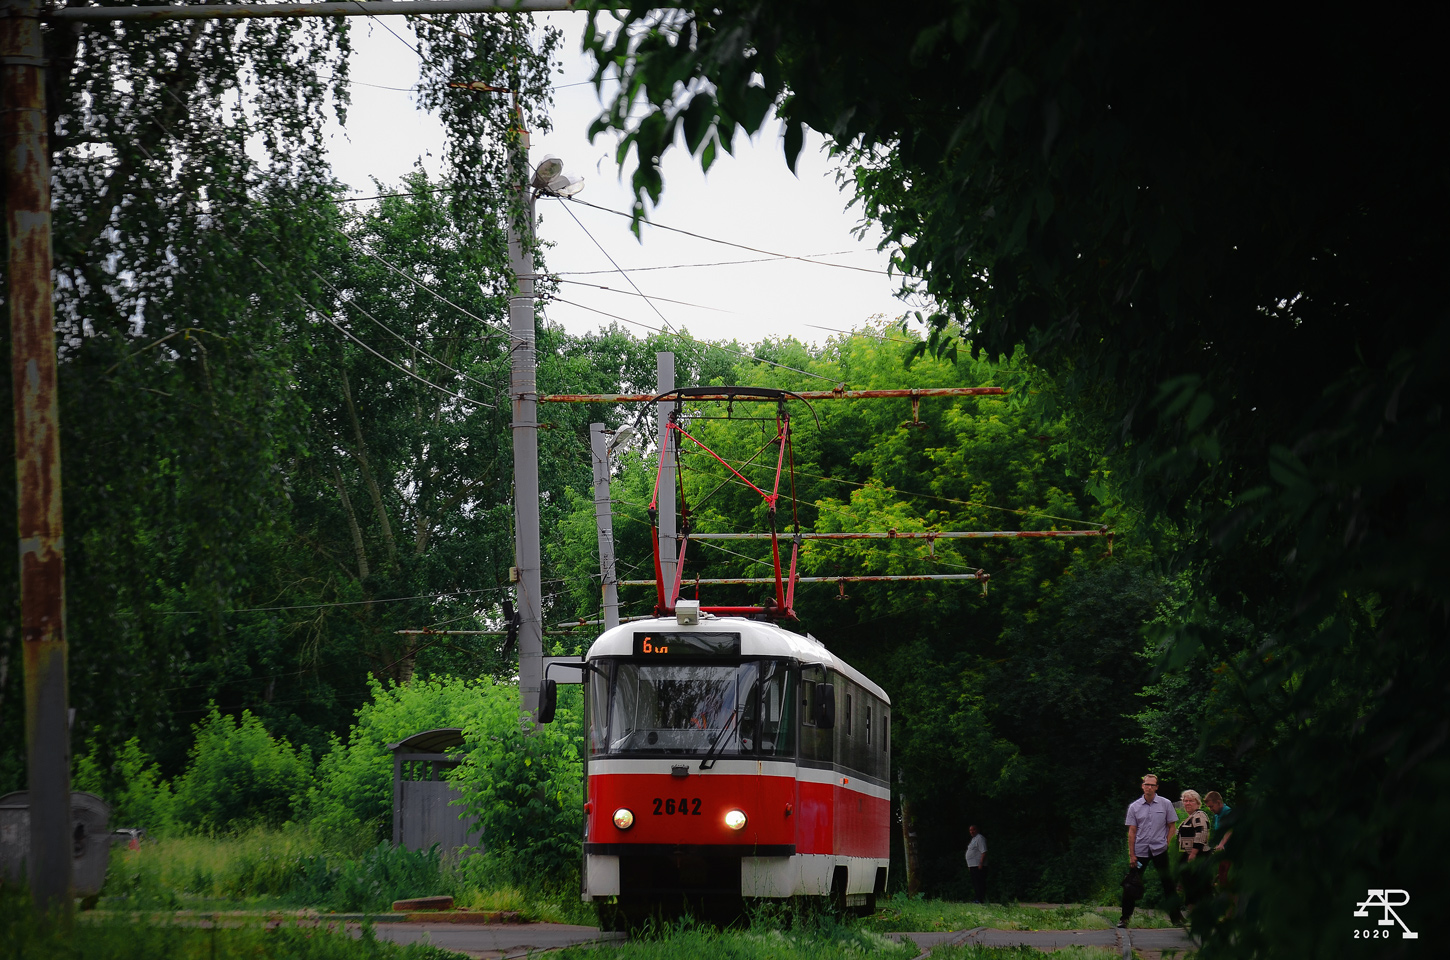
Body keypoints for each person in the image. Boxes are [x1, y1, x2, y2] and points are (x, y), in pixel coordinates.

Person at [1120, 773, 1184, 928]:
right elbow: (1132, 832)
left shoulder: (1165, 804)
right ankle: (1125, 918)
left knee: (1167, 883)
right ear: (1142, 786)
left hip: (1159, 849)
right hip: (1140, 850)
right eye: (1146, 784)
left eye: (1152, 785)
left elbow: (1172, 826)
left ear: (1156, 787)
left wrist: (1166, 843)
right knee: (1131, 884)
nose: (1149, 787)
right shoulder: (1134, 807)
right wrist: (1131, 854)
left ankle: (1176, 918)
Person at [1176, 790, 1212, 908]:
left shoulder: (1199, 815)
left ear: (1197, 802)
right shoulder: (1190, 817)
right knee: (1190, 887)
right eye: (1185, 801)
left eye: (1191, 801)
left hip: (1198, 856)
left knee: (1199, 887)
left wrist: (1193, 853)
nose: (1187, 803)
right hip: (1189, 855)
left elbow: (1202, 833)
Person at [1204, 791, 1234, 886]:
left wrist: (1221, 844)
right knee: (1222, 875)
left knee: (1227, 876)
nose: (1210, 809)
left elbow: (1230, 829)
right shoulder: (1217, 815)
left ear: (1218, 802)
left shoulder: (1227, 812)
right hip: (1224, 852)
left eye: (1211, 806)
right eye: (1209, 807)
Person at [965, 824, 988, 903]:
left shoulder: (980, 838)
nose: (971, 832)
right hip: (973, 865)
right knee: (975, 883)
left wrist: (981, 863)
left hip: (978, 865)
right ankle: (977, 898)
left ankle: (980, 899)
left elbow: (984, 851)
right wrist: (969, 865)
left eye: (973, 830)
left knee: (979, 882)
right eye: (970, 830)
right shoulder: (973, 839)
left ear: (977, 830)